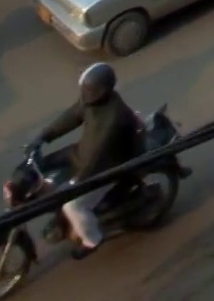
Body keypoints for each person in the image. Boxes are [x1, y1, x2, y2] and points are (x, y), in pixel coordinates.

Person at [37, 63, 142, 259]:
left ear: (100, 90)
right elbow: (73, 115)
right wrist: (43, 137)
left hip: (108, 166)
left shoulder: (114, 118)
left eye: (88, 90)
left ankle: (92, 239)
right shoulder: (94, 100)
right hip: (84, 153)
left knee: (73, 205)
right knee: (45, 167)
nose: (84, 94)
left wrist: (77, 181)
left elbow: (97, 156)